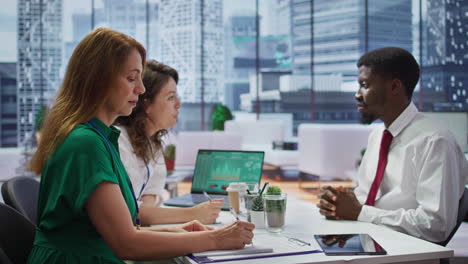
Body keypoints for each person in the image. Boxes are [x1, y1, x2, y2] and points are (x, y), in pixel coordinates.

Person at [28, 28, 254, 263]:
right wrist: (218, 239)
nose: (141, 89)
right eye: (131, 78)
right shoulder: (86, 143)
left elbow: (113, 231)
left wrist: (176, 231)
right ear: (98, 80)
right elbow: (127, 244)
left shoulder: (99, 138)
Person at [317, 47, 468, 243]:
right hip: (367, 239)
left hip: (404, 251)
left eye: (364, 85)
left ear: (395, 87)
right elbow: (366, 197)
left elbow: (435, 225)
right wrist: (339, 203)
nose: (357, 94)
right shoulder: (377, 135)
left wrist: (361, 212)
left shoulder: (435, 142)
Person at [115, 60, 223, 225]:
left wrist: (144, 212)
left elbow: (148, 198)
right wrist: (192, 214)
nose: (179, 104)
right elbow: (128, 212)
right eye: (171, 97)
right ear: (146, 103)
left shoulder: (154, 144)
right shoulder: (118, 141)